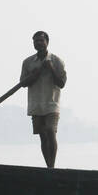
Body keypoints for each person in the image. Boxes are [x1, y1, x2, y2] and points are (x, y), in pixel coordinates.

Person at [20, 31, 67, 167]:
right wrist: (39, 71)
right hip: (36, 104)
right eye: (36, 41)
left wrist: (51, 68)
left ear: (47, 42)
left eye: (41, 41)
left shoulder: (57, 61)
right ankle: (48, 167)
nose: (38, 43)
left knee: (50, 132)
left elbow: (61, 83)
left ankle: (51, 167)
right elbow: (23, 83)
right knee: (42, 135)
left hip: (51, 104)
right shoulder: (28, 62)